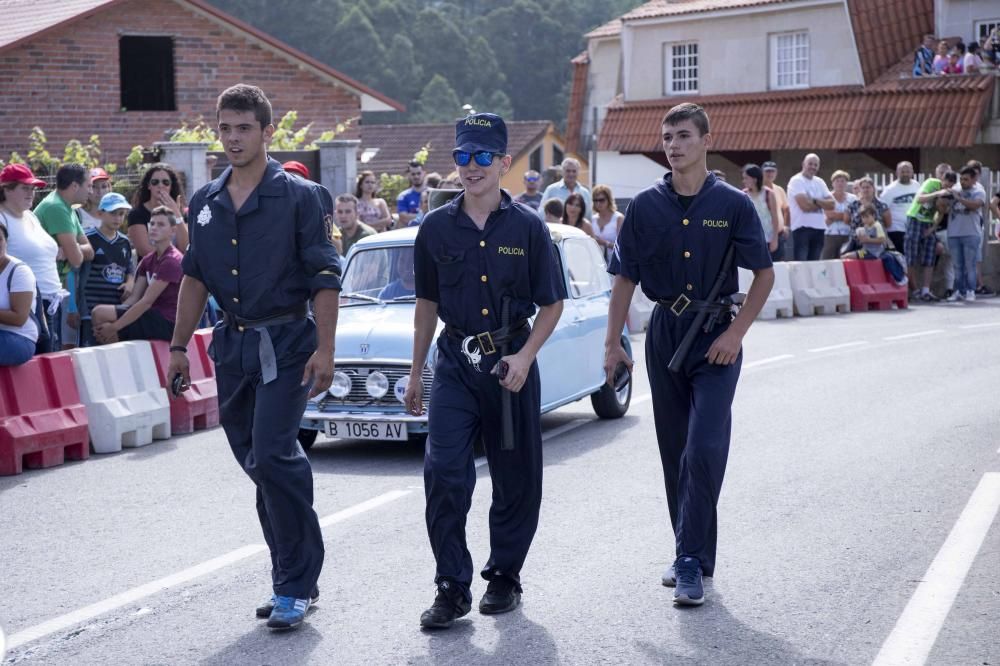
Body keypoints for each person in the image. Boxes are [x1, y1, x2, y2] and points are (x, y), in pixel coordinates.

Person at [166, 84, 341, 631]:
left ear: (268, 132)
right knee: (260, 464)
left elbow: (324, 279)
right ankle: (291, 573)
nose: (233, 138)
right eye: (225, 128)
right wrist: (177, 348)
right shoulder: (205, 202)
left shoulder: (301, 197)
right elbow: (194, 278)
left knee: (272, 456)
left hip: (288, 344)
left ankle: (296, 582)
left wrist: (327, 351)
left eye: (244, 127)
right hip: (234, 348)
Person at [604, 103, 773, 607]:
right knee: (675, 449)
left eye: (682, 136)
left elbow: (763, 274)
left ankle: (688, 561)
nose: (673, 145)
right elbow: (624, 278)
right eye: (667, 136)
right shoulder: (644, 207)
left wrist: (736, 334)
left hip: (717, 332)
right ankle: (692, 554)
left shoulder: (734, 204)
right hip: (665, 332)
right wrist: (613, 343)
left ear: (704, 141)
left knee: (704, 446)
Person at [403, 112, 565, 629]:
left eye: (480, 157)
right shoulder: (434, 228)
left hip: (511, 362)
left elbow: (552, 304)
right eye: (461, 157)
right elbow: (426, 304)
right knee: (443, 473)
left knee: (516, 478)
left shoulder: (529, 228)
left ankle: (505, 577)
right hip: (454, 363)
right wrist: (415, 372)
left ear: (503, 163)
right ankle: (451, 586)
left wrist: (525, 356)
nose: (469, 168)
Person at [91, 207, 181, 343]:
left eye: (161, 224)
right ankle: (113, 356)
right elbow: (135, 298)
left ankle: (115, 356)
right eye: (152, 223)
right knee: (100, 314)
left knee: (104, 318)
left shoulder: (172, 260)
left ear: (172, 231)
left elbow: (146, 301)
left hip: (168, 322)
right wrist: (118, 315)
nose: (154, 228)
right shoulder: (148, 259)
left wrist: (115, 326)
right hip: (151, 315)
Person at [34, 163, 94, 350]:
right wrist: (73, 250)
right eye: (89, 186)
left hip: (53, 291)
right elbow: (76, 259)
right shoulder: (56, 208)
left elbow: (89, 251)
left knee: (53, 347)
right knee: (46, 351)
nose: (91, 192)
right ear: (75, 186)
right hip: (41, 292)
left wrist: (71, 248)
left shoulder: (68, 208)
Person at [0, 164, 60, 353]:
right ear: (6, 189)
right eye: (25, 188)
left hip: (51, 300)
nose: (31, 193)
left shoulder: (31, 216)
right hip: (26, 304)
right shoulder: (1, 219)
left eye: (33, 188)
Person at [80, 193, 135, 345]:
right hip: (90, 308)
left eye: (121, 214)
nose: (117, 218)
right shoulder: (88, 238)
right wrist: (74, 307)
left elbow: (129, 265)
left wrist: (130, 281)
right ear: (100, 213)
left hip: (113, 308)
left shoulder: (124, 241)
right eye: (112, 213)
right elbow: (75, 272)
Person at [906, 170, 952, 300]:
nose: (947, 187)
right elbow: (920, 199)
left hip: (928, 222)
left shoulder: (949, 193)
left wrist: (932, 228)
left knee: (929, 256)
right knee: (911, 256)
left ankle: (926, 290)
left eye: (950, 185)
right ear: (942, 180)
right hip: (915, 218)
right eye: (946, 183)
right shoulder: (932, 183)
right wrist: (938, 193)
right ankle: (911, 290)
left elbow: (942, 212)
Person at [127, 163, 189, 258]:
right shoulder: (137, 214)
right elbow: (145, 251)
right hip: (151, 271)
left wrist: (176, 213)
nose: (160, 185)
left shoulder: (180, 212)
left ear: (171, 186)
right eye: (155, 182)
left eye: (166, 182)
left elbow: (185, 247)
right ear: (149, 186)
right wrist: (174, 258)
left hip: (177, 269)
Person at [283, 161, 343, 256]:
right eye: (287, 179)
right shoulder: (272, 211)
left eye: (296, 180)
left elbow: (338, 249)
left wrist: (318, 226)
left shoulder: (318, 212)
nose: (292, 186)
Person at [946, 166, 986, 302]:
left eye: (966, 179)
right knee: (957, 265)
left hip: (971, 233)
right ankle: (958, 291)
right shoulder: (955, 190)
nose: (963, 182)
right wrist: (943, 196)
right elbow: (943, 207)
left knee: (970, 264)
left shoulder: (979, 191)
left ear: (974, 179)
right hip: (954, 233)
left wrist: (959, 199)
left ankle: (970, 290)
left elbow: (976, 205)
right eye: (961, 179)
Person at [0, 224, 38, 366]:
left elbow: (19, 318)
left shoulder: (19, 271)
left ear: (6, 241)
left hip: (19, 338)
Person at [787, 154, 834, 261]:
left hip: (819, 228)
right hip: (802, 229)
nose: (813, 167)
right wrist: (822, 203)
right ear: (803, 164)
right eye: (810, 164)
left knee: (815, 265)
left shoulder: (820, 182)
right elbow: (804, 206)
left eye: (815, 165)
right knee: (801, 265)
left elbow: (832, 204)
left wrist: (814, 200)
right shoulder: (796, 181)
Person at [741, 164, 781, 261]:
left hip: (767, 239)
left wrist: (775, 239)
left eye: (746, 178)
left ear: (754, 179)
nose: (744, 181)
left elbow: (775, 217)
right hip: (751, 239)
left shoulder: (769, 193)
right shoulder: (743, 194)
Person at [879, 162, 920, 253]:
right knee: (903, 254)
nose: (905, 174)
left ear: (912, 172)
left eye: (907, 171)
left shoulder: (916, 185)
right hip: (896, 229)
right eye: (902, 171)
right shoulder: (890, 189)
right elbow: (882, 209)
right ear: (897, 173)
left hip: (913, 228)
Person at [819, 170, 856, 260]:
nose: (840, 183)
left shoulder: (853, 199)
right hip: (830, 234)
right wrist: (845, 216)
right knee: (827, 261)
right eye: (837, 181)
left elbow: (854, 216)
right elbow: (830, 215)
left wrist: (836, 216)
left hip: (847, 235)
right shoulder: (826, 197)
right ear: (832, 183)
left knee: (845, 261)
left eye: (843, 181)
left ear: (846, 183)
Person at [762, 161, 790, 260]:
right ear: (762, 173)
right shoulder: (758, 190)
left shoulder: (779, 189)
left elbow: (786, 209)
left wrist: (786, 226)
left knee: (779, 265)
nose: (770, 174)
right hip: (763, 235)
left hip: (779, 234)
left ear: (776, 173)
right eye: (767, 171)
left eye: (772, 171)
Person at [591, 184, 624, 263]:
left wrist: (605, 243)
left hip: (615, 265)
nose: (598, 203)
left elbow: (623, 247)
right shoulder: (593, 219)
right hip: (597, 264)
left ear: (609, 200)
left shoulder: (619, 218)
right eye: (596, 200)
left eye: (601, 200)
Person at [397, 161, 426, 227]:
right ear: (408, 175)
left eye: (419, 173)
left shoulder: (432, 193)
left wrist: (412, 216)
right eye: (413, 174)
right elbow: (403, 217)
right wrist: (426, 215)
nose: (416, 176)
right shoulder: (403, 196)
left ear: (424, 173)